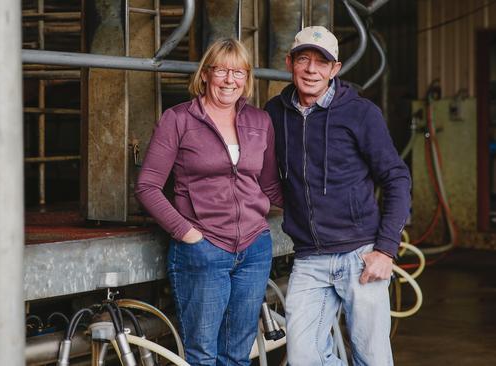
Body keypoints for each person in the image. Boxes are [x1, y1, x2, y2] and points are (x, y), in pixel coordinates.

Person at [264, 26, 411, 365]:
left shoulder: (360, 113)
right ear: (290, 63)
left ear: (335, 69)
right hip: (309, 258)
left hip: (361, 255)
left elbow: (397, 178)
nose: (311, 69)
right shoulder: (275, 113)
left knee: (371, 356)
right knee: (302, 356)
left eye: (322, 62)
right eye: (304, 59)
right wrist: (295, 208)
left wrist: (386, 249)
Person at [135, 38, 283, 366]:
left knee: (238, 355)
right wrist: (188, 234)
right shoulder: (178, 120)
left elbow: (270, 185)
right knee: (202, 356)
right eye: (221, 71)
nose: (230, 80)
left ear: (247, 78)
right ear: (205, 74)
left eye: (239, 72)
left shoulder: (260, 121)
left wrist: (320, 208)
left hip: (254, 248)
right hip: (204, 250)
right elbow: (147, 187)